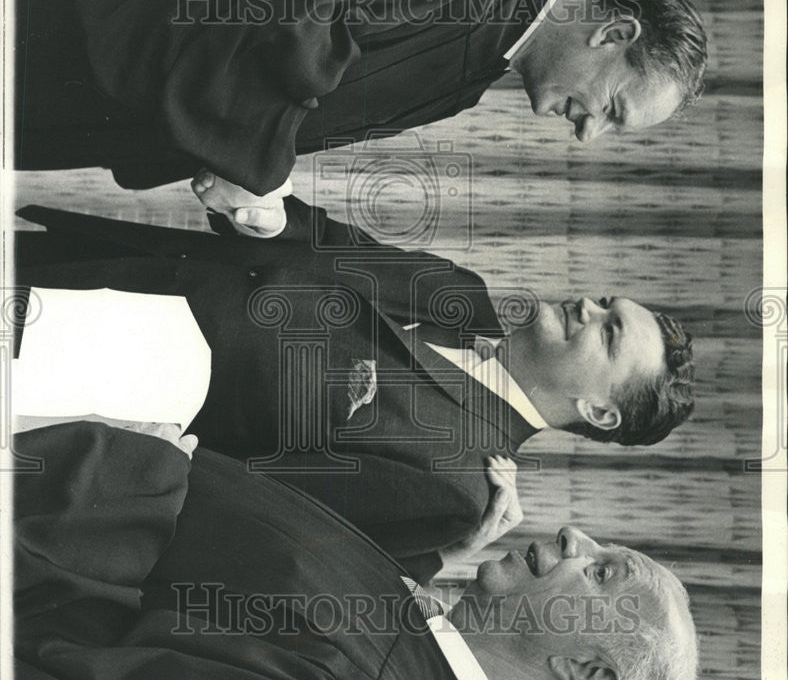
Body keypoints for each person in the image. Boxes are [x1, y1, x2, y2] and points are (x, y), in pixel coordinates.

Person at [16, 198, 695, 583]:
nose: (586, 306)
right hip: (105, 273)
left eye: (607, 334)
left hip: (85, 393)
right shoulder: (463, 294)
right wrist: (265, 213)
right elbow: (327, 244)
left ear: (598, 413)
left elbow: (258, 512)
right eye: (607, 303)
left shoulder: (459, 484)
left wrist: (430, 560)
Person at [15, 0, 707, 235]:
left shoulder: (469, 81)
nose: (588, 134)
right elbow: (297, 4)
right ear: (614, 34)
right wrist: (255, 170)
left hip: (91, 99)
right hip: (71, 9)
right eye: (612, 109)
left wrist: (249, 180)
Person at [14, 418, 699, 680]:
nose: (574, 535)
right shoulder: (406, 635)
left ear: (586, 670)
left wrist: (135, 474)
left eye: (605, 574)